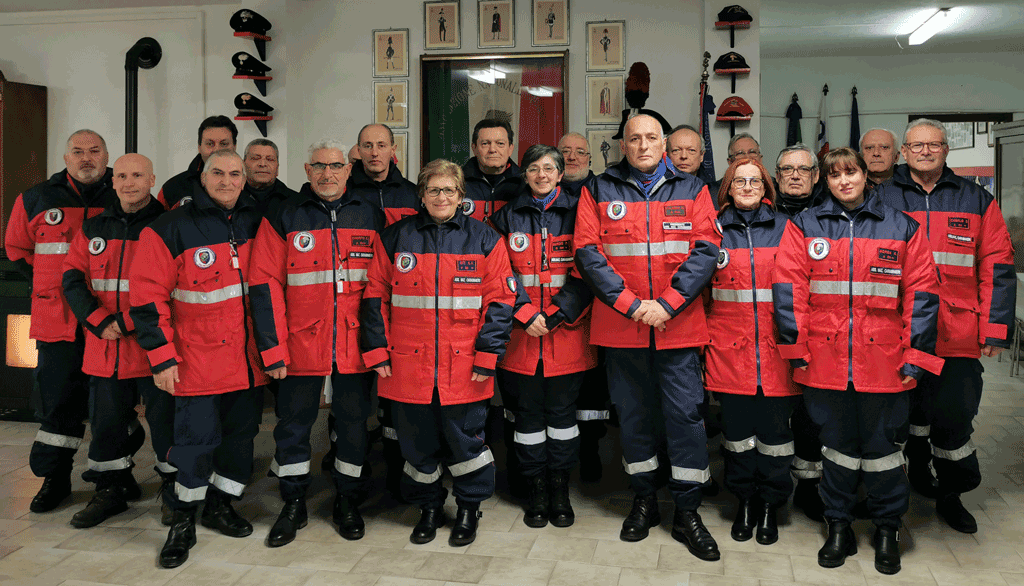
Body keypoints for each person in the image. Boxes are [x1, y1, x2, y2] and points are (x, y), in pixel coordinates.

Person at [773, 147, 943, 575]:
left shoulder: (902, 227)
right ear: (825, 182)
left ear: (867, 176)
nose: (844, 181)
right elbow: (788, 291)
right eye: (834, 175)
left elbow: (921, 296)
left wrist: (916, 356)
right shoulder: (804, 225)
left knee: (885, 452)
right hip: (825, 362)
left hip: (885, 363)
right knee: (837, 450)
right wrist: (797, 353)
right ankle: (838, 526)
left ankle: (887, 528)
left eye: (851, 173)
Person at [574, 114, 722, 561]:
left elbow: (706, 251)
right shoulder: (598, 189)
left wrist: (668, 304)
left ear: (665, 144)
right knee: (634, 417)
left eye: (651, 138)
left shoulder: (694, 188)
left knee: (686, 420)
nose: (642, 145)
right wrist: (633, 305)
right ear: (623, 145)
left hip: (677, 328)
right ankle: (643, 500)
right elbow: (587, 252)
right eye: (634, 138)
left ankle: (687, 511)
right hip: (624, 328)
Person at [361, 159, 516, 547]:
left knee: (466, 443)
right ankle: (428, 508)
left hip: (465, 366)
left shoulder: (485, 239)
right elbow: (374, 297)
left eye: (449, 190)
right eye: (433, 190)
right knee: (417, 445)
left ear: (462, 196)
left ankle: (468, 509)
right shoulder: (395, 237)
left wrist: (487, 355)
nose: (441, 196)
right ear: (422, 195)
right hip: (407, 366)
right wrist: (377, 351)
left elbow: (500, 300)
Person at [131, 150, 270, 569]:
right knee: (194, 445)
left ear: (244, 180)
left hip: (247, 363)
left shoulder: (256, 222)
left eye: (234, 174)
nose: (227, 181)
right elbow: (147, 299)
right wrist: (162, 359)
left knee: (239, 442)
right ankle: (183, 520)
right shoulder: (169, 228)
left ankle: (221, 505)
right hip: (196, 363)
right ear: (202, 177)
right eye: (218, 173)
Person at [878, 119, 1016, 534]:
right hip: (896, 333)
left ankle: (951, 495)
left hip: (957, 334)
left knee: (953, 417)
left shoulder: (976, 199)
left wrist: (995, 329)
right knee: (898, 418)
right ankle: (899, 495)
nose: (925, 151)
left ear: (945, 150)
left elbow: (998, 265)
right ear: (903, 152)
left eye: (933, 144)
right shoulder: (881, 196)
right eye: (916, 145)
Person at [249, 140, 386, 546]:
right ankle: (293, 503)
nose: (328, 174)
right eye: (319, 166)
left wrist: (378, 345)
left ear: (349, 169)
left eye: (336, 166)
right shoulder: (283, 215)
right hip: (299, 348)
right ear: (307, 170)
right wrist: (272, 349)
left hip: (355, 346)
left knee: (353, 426)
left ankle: (348, 500)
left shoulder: (370, 215)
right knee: (293, 428)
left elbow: (382, 285)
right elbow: (264, 284)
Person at [5, 129, 119, 514]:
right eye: (78, 152)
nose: (87, 158)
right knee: (59, 404)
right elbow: (16, 248)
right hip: (57, 321)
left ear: (106, 156)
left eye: (94, 151)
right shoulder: (36, 198)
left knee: (112, 405)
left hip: (106, 323)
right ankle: (57, 480)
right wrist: (47, 285)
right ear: (66, 157)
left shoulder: (124, 193)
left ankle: (115, 478)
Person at [490, 145, 597, 528]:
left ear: (560, 171)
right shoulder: (504, 218)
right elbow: (497, 272)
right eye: (533, 168)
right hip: (520, 338)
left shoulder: (580, 211)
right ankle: (535, 488)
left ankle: (560, 488)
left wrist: (555, 314)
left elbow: (590, 269)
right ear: (525, 174)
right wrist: (522, 311)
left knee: (564, 417)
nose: (541, 175)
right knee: (528, 417)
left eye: (549, 168)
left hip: (566, 333)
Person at [61, 153, 167, 528]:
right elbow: (72, 277)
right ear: (112, 180)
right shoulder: (94, 226)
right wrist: (98, 320)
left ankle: (172, 489)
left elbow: (173, 287)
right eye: (121, 175)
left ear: (152, 179)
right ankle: (111, 488)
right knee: (105, 423)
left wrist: (125, 321)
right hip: (104, 345)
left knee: (165, 422)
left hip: (152, 346)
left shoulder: (168, 224)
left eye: (137, 175)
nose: (128, 182)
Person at [705, 157, 798, 546]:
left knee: (776, 437)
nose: (747, 186)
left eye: (754, 181)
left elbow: (800, 289)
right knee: (737, 436)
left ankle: (769, 507)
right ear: (728, 187)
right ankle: (743, 500)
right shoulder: (711, 229)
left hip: (777, 354)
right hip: (729, 352)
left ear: (766, 188)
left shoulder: (787, 229)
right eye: (739, 181)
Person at [770, 143, 826, 520]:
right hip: (767, 336)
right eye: (787, 170)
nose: (794, 175)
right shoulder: (761, 214)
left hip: (819, 336)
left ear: (815, 176)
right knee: (773, 417)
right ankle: (771, 489)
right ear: (776, 176)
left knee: (812, 417)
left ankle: (808, 486)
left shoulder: (830, 216)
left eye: (803, 170)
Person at [557, 132, 610, 483]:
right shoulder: (543, 191)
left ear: (591, 159)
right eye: (566, 152)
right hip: (555, 306)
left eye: (580, 153)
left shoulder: (605, 191)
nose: (573, 158)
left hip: (599, 305)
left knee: (593, 387)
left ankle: (590, 451)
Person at [157, 115, 237, 209]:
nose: (216, 150)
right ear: (199, 147)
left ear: (234, 147)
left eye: (224, 144)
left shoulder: (248, 184)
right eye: (210, 144)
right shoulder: (172, 188)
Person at [349, 124, 419, 225]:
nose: (374, 153)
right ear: (359, 151)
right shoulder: (343, 193)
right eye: (368, 146)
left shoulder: (415, 194)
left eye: (381, 146)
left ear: (393, 150)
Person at [461, 119, 523, 223]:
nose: (492, 149)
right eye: (485, 143)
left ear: (510, 148)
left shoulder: (524, 185)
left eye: (500, 143)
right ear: (474, 148)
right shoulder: (457, 183)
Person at [242, 138, 297, 212]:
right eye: (255, 158)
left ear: (277, 168)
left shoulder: (296, 202)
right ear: (243, 165)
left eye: (270, 159)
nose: (262, 164)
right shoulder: (230, 197)